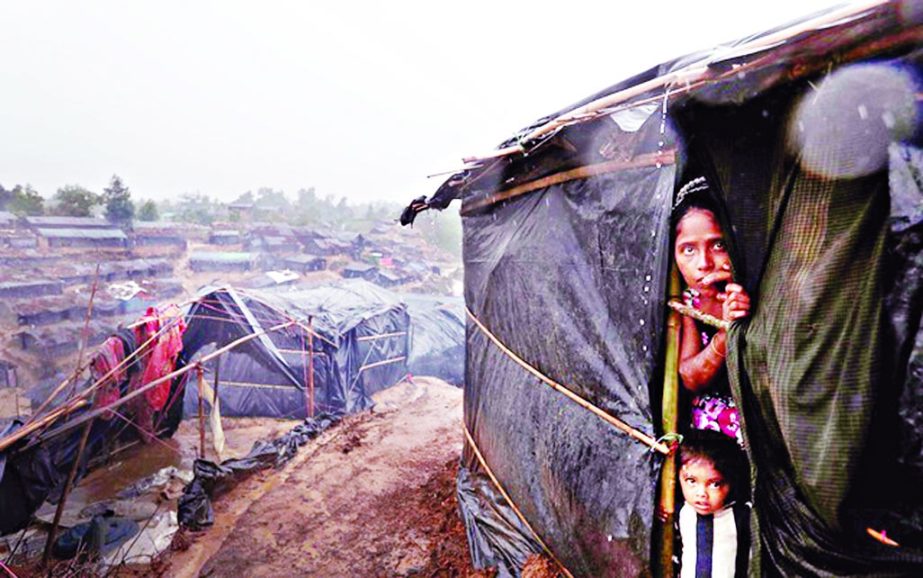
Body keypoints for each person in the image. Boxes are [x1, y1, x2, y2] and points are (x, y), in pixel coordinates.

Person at [673, 177, 750, 445]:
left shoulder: (757, 287)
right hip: (713, 440)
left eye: (718, 245)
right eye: (688, 250)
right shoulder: (688, 303)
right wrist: (725, 332)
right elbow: (691, 377)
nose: (704, 263)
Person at [677, 430, 750, 578]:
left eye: (715, 484)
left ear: (730, 482)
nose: (701, 493)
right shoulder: (679, 512)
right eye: (691, 481)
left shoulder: (742, 515)